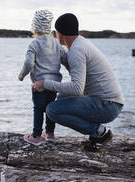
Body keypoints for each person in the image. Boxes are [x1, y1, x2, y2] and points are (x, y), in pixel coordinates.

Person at [33, 13, 124, 151]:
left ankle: (99, 132)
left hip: (108, 106)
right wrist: (58, 55)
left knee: (52, 110)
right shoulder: (80, 43)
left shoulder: (77, 50)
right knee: (62, 98)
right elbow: (73, 66)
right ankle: (95, 135)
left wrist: (45, 83)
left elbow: (77, 89)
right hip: (109, 102)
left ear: (60, 33)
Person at [18, 9, 69, 146]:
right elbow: (65, 58)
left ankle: (36, 136)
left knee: (38, 108)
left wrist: (22, 75)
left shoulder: (34, 44)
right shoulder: (56, 43)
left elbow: (29, 63)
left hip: (39, 85)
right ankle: (50, 133)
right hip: (53, 84)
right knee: (49, 108)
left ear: (34, 26)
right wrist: (72, 71)